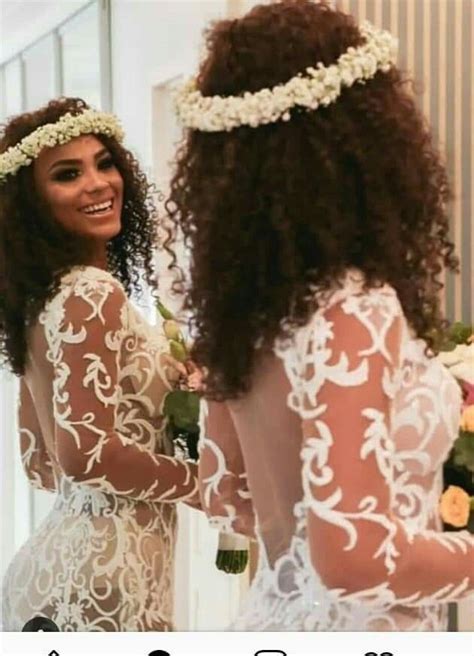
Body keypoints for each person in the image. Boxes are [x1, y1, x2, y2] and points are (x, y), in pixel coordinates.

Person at [167, 0, 474, 631]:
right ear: (368, 140)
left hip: (271, 620)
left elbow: (227, 497)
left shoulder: (245, 316)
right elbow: (356, 560)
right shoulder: (352, 306)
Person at [0, 97, 199, 631]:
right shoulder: (92, 292)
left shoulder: (40, 302)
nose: (97, 183)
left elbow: (40, 463)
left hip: (58, 570)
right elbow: (84, 456)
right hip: (109, 577)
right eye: (68, 174)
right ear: (32, 204)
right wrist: (207, 484)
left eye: (105, 163)